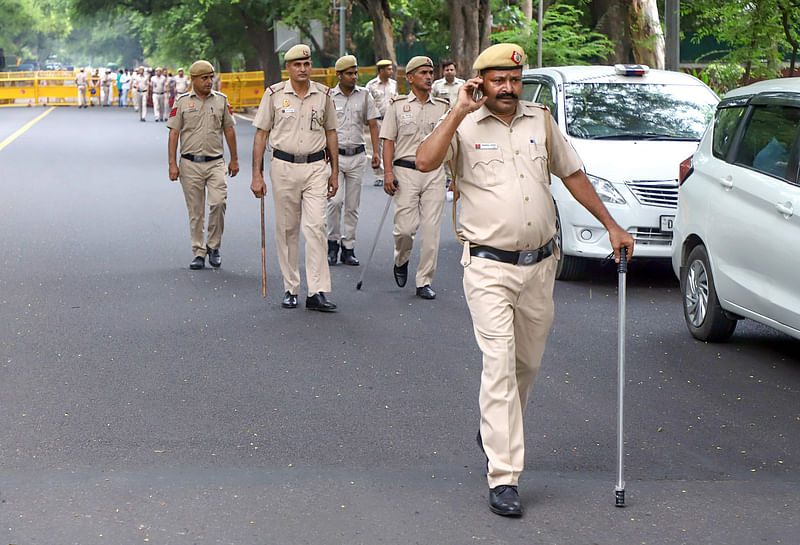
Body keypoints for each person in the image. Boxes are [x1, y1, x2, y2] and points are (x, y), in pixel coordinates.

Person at [416, 43, 635, 517]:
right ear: (480, 81)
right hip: (488, 266)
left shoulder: (540, 120)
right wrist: (456, 112)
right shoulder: (463, 123)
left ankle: (493, 429)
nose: (509, 89)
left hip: (540, 266)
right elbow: (426, 161)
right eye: (499, 80)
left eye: (515, 80)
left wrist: (611, 225)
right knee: (498, 363)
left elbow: (573, 174)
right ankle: (504, 476)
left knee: (525, 367)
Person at [250, 44, 339, 312]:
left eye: (307, 64)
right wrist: (257, 174)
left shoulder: (323, 94)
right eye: (297, 65)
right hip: (284, 167)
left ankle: (317, 290)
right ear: (288, 68)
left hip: (315, 167)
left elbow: (332, 132)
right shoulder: (274, 94)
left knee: (316, 227)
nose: (303, 69)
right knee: (287, 229)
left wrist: (335, 171)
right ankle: (291, 287)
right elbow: (261, 135)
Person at [379, 56, 449, 300]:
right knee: (405, 230)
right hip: (405, 172)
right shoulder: (397, 106)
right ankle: (401, 260)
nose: (429, 76)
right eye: (423, 72)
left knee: (432, 230)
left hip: (434, 173)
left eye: (431, 72)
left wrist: (457, 178)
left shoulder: (443, 107)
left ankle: (424, 280)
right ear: (410, 78)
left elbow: (451, 143)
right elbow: (388, 141)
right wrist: (388, 172)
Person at [167, 60, 239, 270]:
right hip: (190, 164)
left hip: (216, 163)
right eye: (204, 78)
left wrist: (234, 159)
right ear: (194, 80)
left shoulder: (221, 101)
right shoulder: (181, 102)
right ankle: (198, 251)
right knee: (196, 211)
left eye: (211, 77)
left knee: (218, 203)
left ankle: (214, 246)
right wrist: (173, 164)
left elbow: (229, 130)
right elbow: (173, 134)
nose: (209, 81)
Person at [326, 54, 381, 266]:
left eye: (355, 73)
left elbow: (373, 125)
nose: (354, 77)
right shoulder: (329, 97)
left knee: (352, 206)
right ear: (339, 75)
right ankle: (333, 244)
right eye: (349, 73)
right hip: (335, 158)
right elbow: (325, 128)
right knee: (335, 202)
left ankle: (348, 247)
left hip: (358, 156)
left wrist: (375, 152)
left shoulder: (365, 95)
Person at [366, 59, 397, 186]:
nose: (391, 71)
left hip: (391, 119)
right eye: (388, 69)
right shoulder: (371, 85)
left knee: (392, 146)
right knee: (377, 147)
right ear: (381, 70)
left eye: (391, 69)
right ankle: (379, 175)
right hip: (377, 120)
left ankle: (392, 172)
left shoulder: (394, 84)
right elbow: (368, 103)